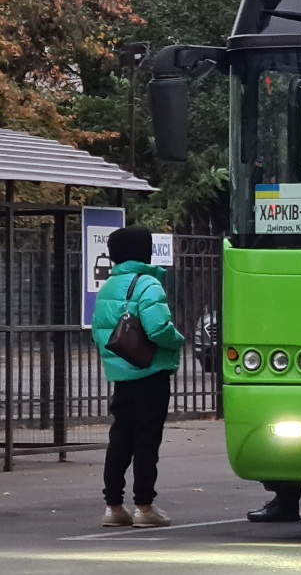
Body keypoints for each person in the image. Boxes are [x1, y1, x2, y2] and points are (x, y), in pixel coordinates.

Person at [92, 225, 185, 528]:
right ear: (144, 251)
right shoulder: (148, 284)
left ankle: (113, 505)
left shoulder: (107, 286)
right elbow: (158, 329)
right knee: (147, 439)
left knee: (120, 437)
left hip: (121, 372)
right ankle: (144, 506)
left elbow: (99, 331)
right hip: (150, 370)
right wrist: (178, 341)